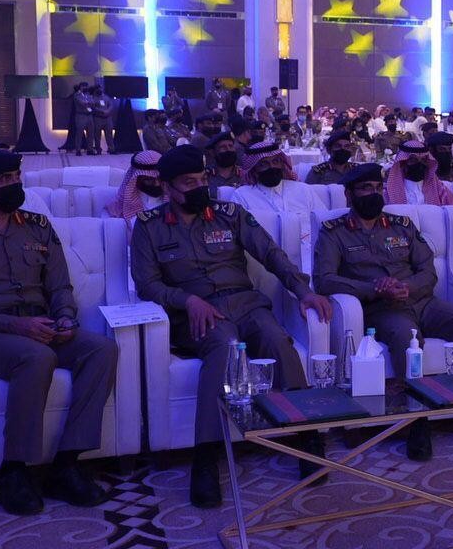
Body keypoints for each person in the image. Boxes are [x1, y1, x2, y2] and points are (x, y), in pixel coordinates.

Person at [131, 145, 331, 508]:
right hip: (197, 313)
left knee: (276, 340)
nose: (199, 187)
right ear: (168, 187)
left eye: (202, 179)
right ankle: (206, 458)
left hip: (246, 302)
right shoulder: (148, 227)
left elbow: (271, 255)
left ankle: (307, 436)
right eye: (188, 182)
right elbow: (147, 284)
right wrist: (187, 300)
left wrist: (303, 291)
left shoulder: (230, 214)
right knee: (224, 348)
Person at [0, 148, 117, 515]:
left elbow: (60, 287)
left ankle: (67, 463)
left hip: (39, 326)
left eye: (16, 177)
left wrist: (65, 318)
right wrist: (16, 326)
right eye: (4, 180)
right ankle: (14, 470)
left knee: (101, 349)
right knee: (36, 356)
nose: (15, 184)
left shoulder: (38, 226)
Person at [312, 164, 453, 460]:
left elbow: (428, 270)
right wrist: (374, 288)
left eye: (376, 188)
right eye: (364, 189)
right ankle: (418, 422)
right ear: (348, 195)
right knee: (406, 338)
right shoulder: (334, 232)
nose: (372, 194)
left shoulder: (401, 225)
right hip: (381, 309)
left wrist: (407, 286)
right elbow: (324, 279)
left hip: (420, 301)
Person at [231, 141, 321, 218]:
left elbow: (322, 220)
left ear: (282, 164)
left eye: (275, 161)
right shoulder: (242, 196)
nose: (272, 167)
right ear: (254, 170)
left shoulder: (304, 190)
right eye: (263, 164)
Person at [384, 140, 453, 206]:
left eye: (423, 160)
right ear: (403, 163)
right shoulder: (389, 189)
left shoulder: (437, 186)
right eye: (413, 160)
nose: (420, 164)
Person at [105, 150, 164, 222]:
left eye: (160, 179)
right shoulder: (117, 208)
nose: (157, 184)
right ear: (136, 178)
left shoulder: (173, 200)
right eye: (149, 180)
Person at [89, 85, 113, 155]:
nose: (100, 90)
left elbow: (111, 105)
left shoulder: (106, 97)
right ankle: (98, 149)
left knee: (109, 135)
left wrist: (107, 111)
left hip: (107, 118)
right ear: (95, 90)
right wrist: (101, 111)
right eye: (98, 89)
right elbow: (92, 107)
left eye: (100, 88)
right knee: (97, 135)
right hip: (97, 118)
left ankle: (111, 149)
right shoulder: (92, 98)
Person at [71, 84, 94, 156]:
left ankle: (90, 150)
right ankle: (78, 150)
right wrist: (88, 103)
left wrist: (88, 103)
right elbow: (82, 103)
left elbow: (93, 103)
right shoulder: (77, 95)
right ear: (80, 87)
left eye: (86, 86)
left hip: (89, 115)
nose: (85, 88)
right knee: (79, 133)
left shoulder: (89, 94)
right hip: (81, 115)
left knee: (90, 134)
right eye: (84, 86)